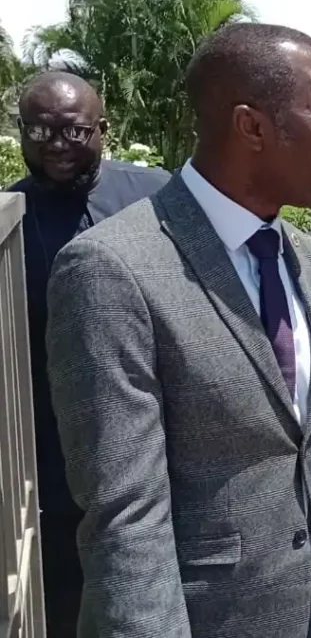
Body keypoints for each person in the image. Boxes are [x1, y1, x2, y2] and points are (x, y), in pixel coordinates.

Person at [46, 23, 311, 637]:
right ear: (252, 128)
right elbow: (125, 514)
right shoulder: (113, 269)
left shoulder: (304, 256)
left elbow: (288, 444)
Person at [3, 71, 169, 638]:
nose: (54, 144)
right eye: (39, 129)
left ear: (103, 129)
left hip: (152, 429)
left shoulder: (155, 196)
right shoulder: (6, 218)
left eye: (71, 132)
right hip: (47, 443)